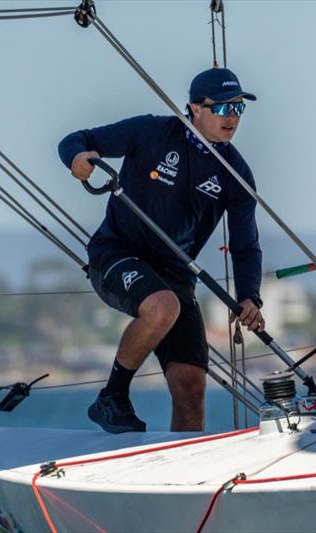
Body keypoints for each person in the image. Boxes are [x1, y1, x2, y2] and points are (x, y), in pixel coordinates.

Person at [58, 67, 265, 433]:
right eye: (221, 108)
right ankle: (112, 397)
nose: (231, 117)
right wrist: (77, 158)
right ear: (194, 109)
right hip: (116, 254)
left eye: (237, 109)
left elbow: (245, 245)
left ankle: (185, 476)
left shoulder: (236, 173)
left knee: (190, 388)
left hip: (175, 274)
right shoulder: (152, 132)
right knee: (162, 306)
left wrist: (250, 296)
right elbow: (78, 138)